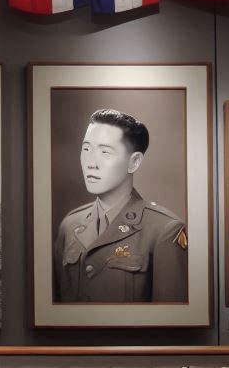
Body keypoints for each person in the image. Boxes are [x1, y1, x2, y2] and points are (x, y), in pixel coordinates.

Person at [54, 108, 188, 303]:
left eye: (105, 152)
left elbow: (170, 318)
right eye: (86, 149)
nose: (91, 163)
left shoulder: (164, 231)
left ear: (134, 162)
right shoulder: (70, 225)